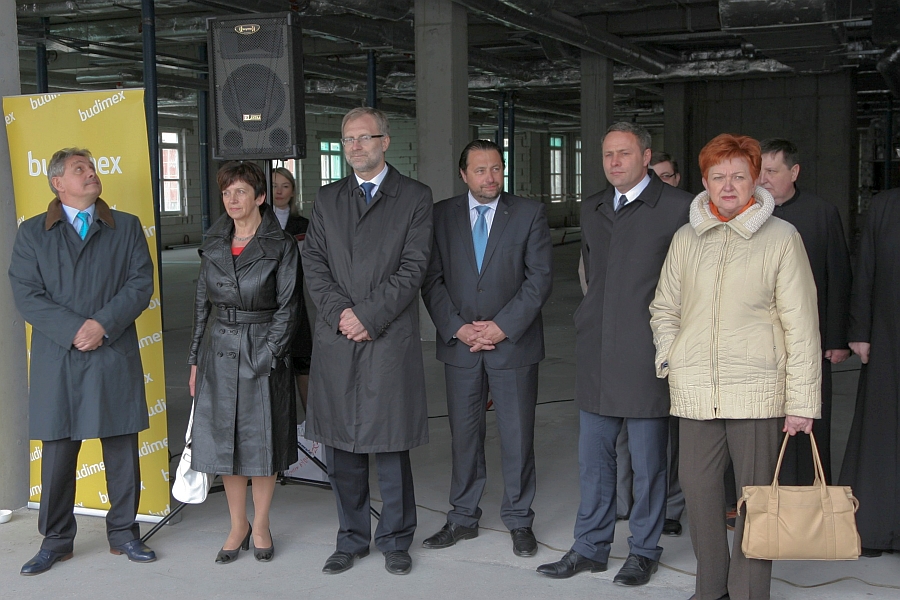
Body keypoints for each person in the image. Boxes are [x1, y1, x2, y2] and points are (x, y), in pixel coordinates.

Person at [650, 133, 821, 600]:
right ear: (705, 181)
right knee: (699, 491)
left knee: (755, 500)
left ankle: (748, 593)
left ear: (755, 180)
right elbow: (664, 308)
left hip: (757, 391)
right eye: (718, 176)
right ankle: (711, 589)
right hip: (696, 389)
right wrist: (671, 355)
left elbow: (802, 325)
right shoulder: (687, 238)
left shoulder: (782, 238)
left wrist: (802, 401)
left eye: (739, 176)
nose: (728, 186)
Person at [537, 123, 691, 586]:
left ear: (646, 156)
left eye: (624, 153)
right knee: (594, 458)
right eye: (607, 155)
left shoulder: (680, 208)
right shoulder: (594, 207)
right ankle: (590, 546)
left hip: (647, 350)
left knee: (648, 463)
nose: (615, 162)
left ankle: (643, 550)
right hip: (597, 350)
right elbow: (592, 271)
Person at [9, 148, 156, 575]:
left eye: (92, 167)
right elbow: (26, 293)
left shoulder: (126, 226)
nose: (91, 173)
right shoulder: (33, 233)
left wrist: (102, 325)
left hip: (111, 350)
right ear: (58, 183)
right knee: (57, 452)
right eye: (80, 169)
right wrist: (76, 329)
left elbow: (140, 283)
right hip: (59, 356)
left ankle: (124, 533)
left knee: (121, 447)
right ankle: (56, 541)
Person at [302, 107, 433, 576]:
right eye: (348, 139)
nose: (355, 146)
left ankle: (395, 539)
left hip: (387, 336)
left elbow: (413, 268)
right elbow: (314, 263)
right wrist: (342, 314)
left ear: (385, 141)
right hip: (339, 335)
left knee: (391, 445)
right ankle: (352, 539)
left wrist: (368, 315)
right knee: (342, 448)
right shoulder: (327, 198)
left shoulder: (414, 197)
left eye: (364, 137)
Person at [421, 139, 553, 557]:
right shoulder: (441, 215)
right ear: (464, 174)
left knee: (517, 435)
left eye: (496, 168)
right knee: (464, 435)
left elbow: (539, 280)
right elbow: (431, 279)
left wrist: (502, 327)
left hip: (513, 345)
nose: (490, 177)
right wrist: (458, 328)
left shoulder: (528, 213)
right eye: (480, 170)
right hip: (461, 346)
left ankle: (519, 519)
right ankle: (462, 517)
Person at [188, 161, 299, 564]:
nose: (232, 200)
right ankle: (238, 525)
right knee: (226, 442)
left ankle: (262, 523)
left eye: (240, 192)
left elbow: (289, 308)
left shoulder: (280, 245)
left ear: (260, 197)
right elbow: (201, 305)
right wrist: (195, 360)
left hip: (261, 348)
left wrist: (269, 355)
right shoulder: (214, 243)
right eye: (226, 193)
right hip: (218, 351)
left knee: (261, 441)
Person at [758, 138, 852, 485]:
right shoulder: (750, 213)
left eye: (772, 171)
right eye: (759, 171)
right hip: (762, 339)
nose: (763, 179)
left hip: (811, 338)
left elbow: (838, 276)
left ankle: (810, 495)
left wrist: (837, 338)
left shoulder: (821, 212)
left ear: (794, 172)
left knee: (810, 419)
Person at [616, 148, 687, 537]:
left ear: (677, 179)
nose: (659, 183)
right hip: (626, 335)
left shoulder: (684, 217)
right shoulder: (623, 214)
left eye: (666, 176)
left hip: (670, 336)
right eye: (653, 176)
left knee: (666, 432)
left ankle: (670, 508)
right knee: (622, 427)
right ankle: (623, 502)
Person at [840, 181, 900, 558]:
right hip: (889, 335)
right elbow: (865, 270)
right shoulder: (885, 206)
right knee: (882, 430)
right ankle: (876, 529)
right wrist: (859, 331)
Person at [272, 166, 313, 411]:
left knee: (303, 360)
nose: (279, 191)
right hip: (267, 302)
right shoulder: (258, 223)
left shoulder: (303, 225)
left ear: (293, 191)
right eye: (274, 185)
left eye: (285, 186)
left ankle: (312, 420)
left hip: (297, 301)